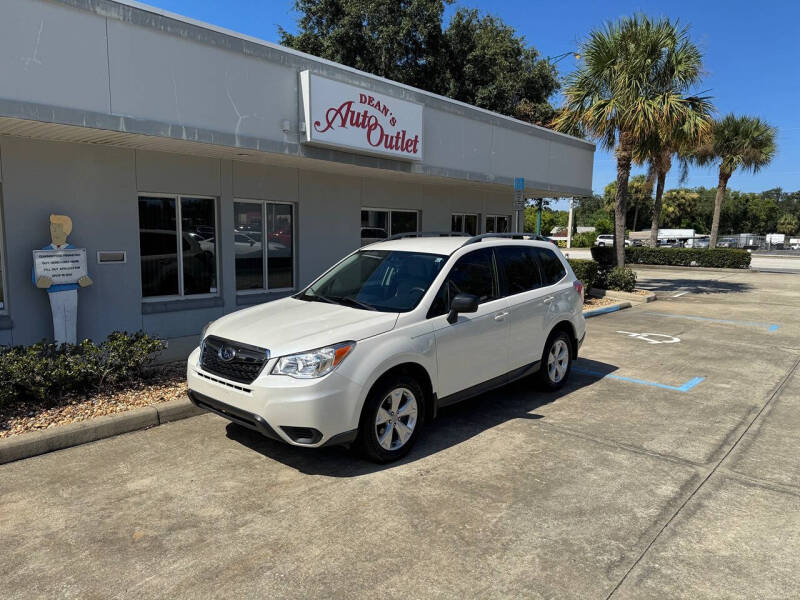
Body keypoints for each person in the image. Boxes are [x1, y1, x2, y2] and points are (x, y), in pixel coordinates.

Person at [33, 214, 92, 345]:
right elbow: (36, 276)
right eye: (52, 226)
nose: (54, 230)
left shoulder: (74, 252)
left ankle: (71, 352)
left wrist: (85, 280)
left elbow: (83, 273)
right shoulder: (44, 252)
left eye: (58, 227)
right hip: (54, 292)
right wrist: (39, 282)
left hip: (71, 291)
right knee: (58, 321)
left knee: (71, 321)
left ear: (66, 231)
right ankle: (60, 353)